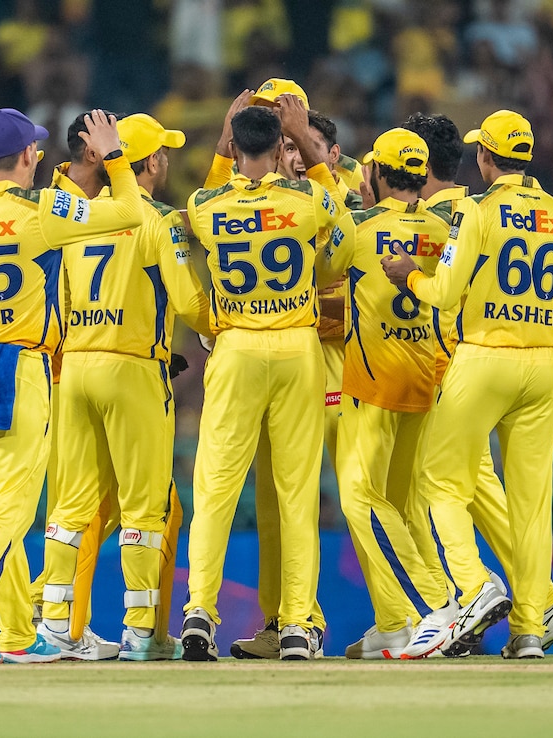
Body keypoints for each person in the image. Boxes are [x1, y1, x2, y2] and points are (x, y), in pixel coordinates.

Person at [0, 108, 146, 664]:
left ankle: (13, 632)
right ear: (26, 156)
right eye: (33, 149)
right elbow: (130, 212)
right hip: (17, 366)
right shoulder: (42, 210)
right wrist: (115, 156)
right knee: (12, 505)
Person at [384, 110, 553, 660]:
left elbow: (445, 292)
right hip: (543, 364)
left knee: (440, 481)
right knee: (532, 506)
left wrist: (409, 275)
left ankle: (474, 585)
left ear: (486, 156)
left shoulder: (477, 210)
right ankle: (530, 631)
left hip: (484, 357)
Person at [37, 112, 211, 662]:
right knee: (144, 508)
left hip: (77, 366)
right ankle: (140, 632)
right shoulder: (157, 220)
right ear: (152, 162)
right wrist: (222, 329)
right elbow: (189, 303)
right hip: (133, 371)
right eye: (164, 152)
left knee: (71, 504)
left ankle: (56, 625)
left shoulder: (84, 214)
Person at [181, 98, 342, 661]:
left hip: (236, 349)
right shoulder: (307, 200)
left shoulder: (205, 204)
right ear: (279, 150)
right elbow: (340, 216)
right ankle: (296, 624)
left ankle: (199, 613)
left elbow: (201, 205)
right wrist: (307, 140)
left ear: (232, 149)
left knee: (215, 491)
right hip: (298, 348)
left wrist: (222, 144)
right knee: (297, 494)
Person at [319, 127, 455, 659]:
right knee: (401, 504)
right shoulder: (443, 229)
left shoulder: (358, 227)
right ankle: (396, 622)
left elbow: (322, 273)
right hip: (425, 381)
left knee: (359, 498)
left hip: (372, 383)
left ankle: (439, 607)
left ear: (375, 172)